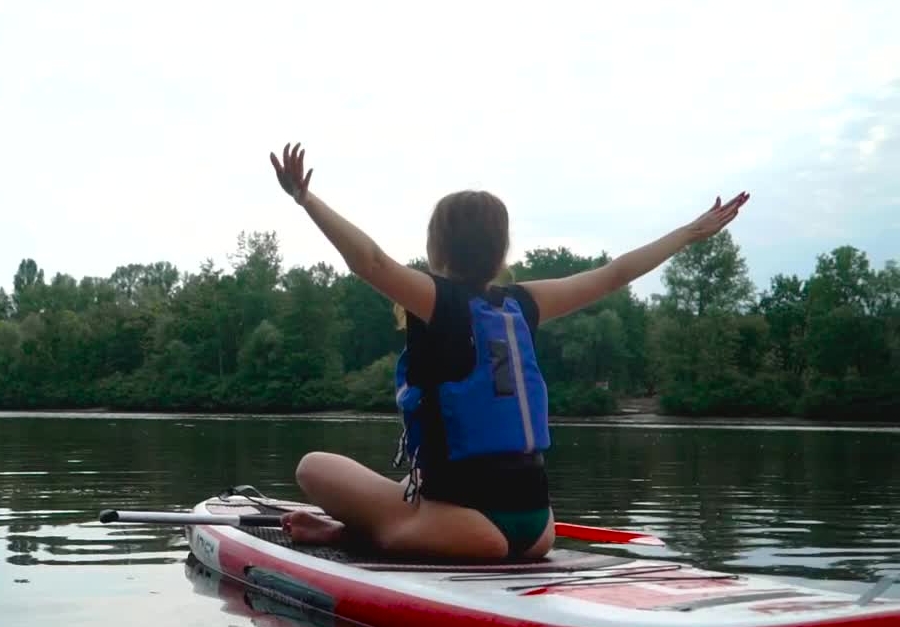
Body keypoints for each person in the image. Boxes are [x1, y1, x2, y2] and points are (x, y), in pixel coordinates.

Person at [268, 142, 748, 560]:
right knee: (404, 493)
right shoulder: (523, 304)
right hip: (539, 527)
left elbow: (369, 260)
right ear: (500, 251)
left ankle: (358, 534)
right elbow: (616, 273)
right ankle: (379, 527)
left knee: (313, 466)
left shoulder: (438, 301)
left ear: (438, 249)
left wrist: (305, 199)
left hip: (471, 532)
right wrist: (688, 233)